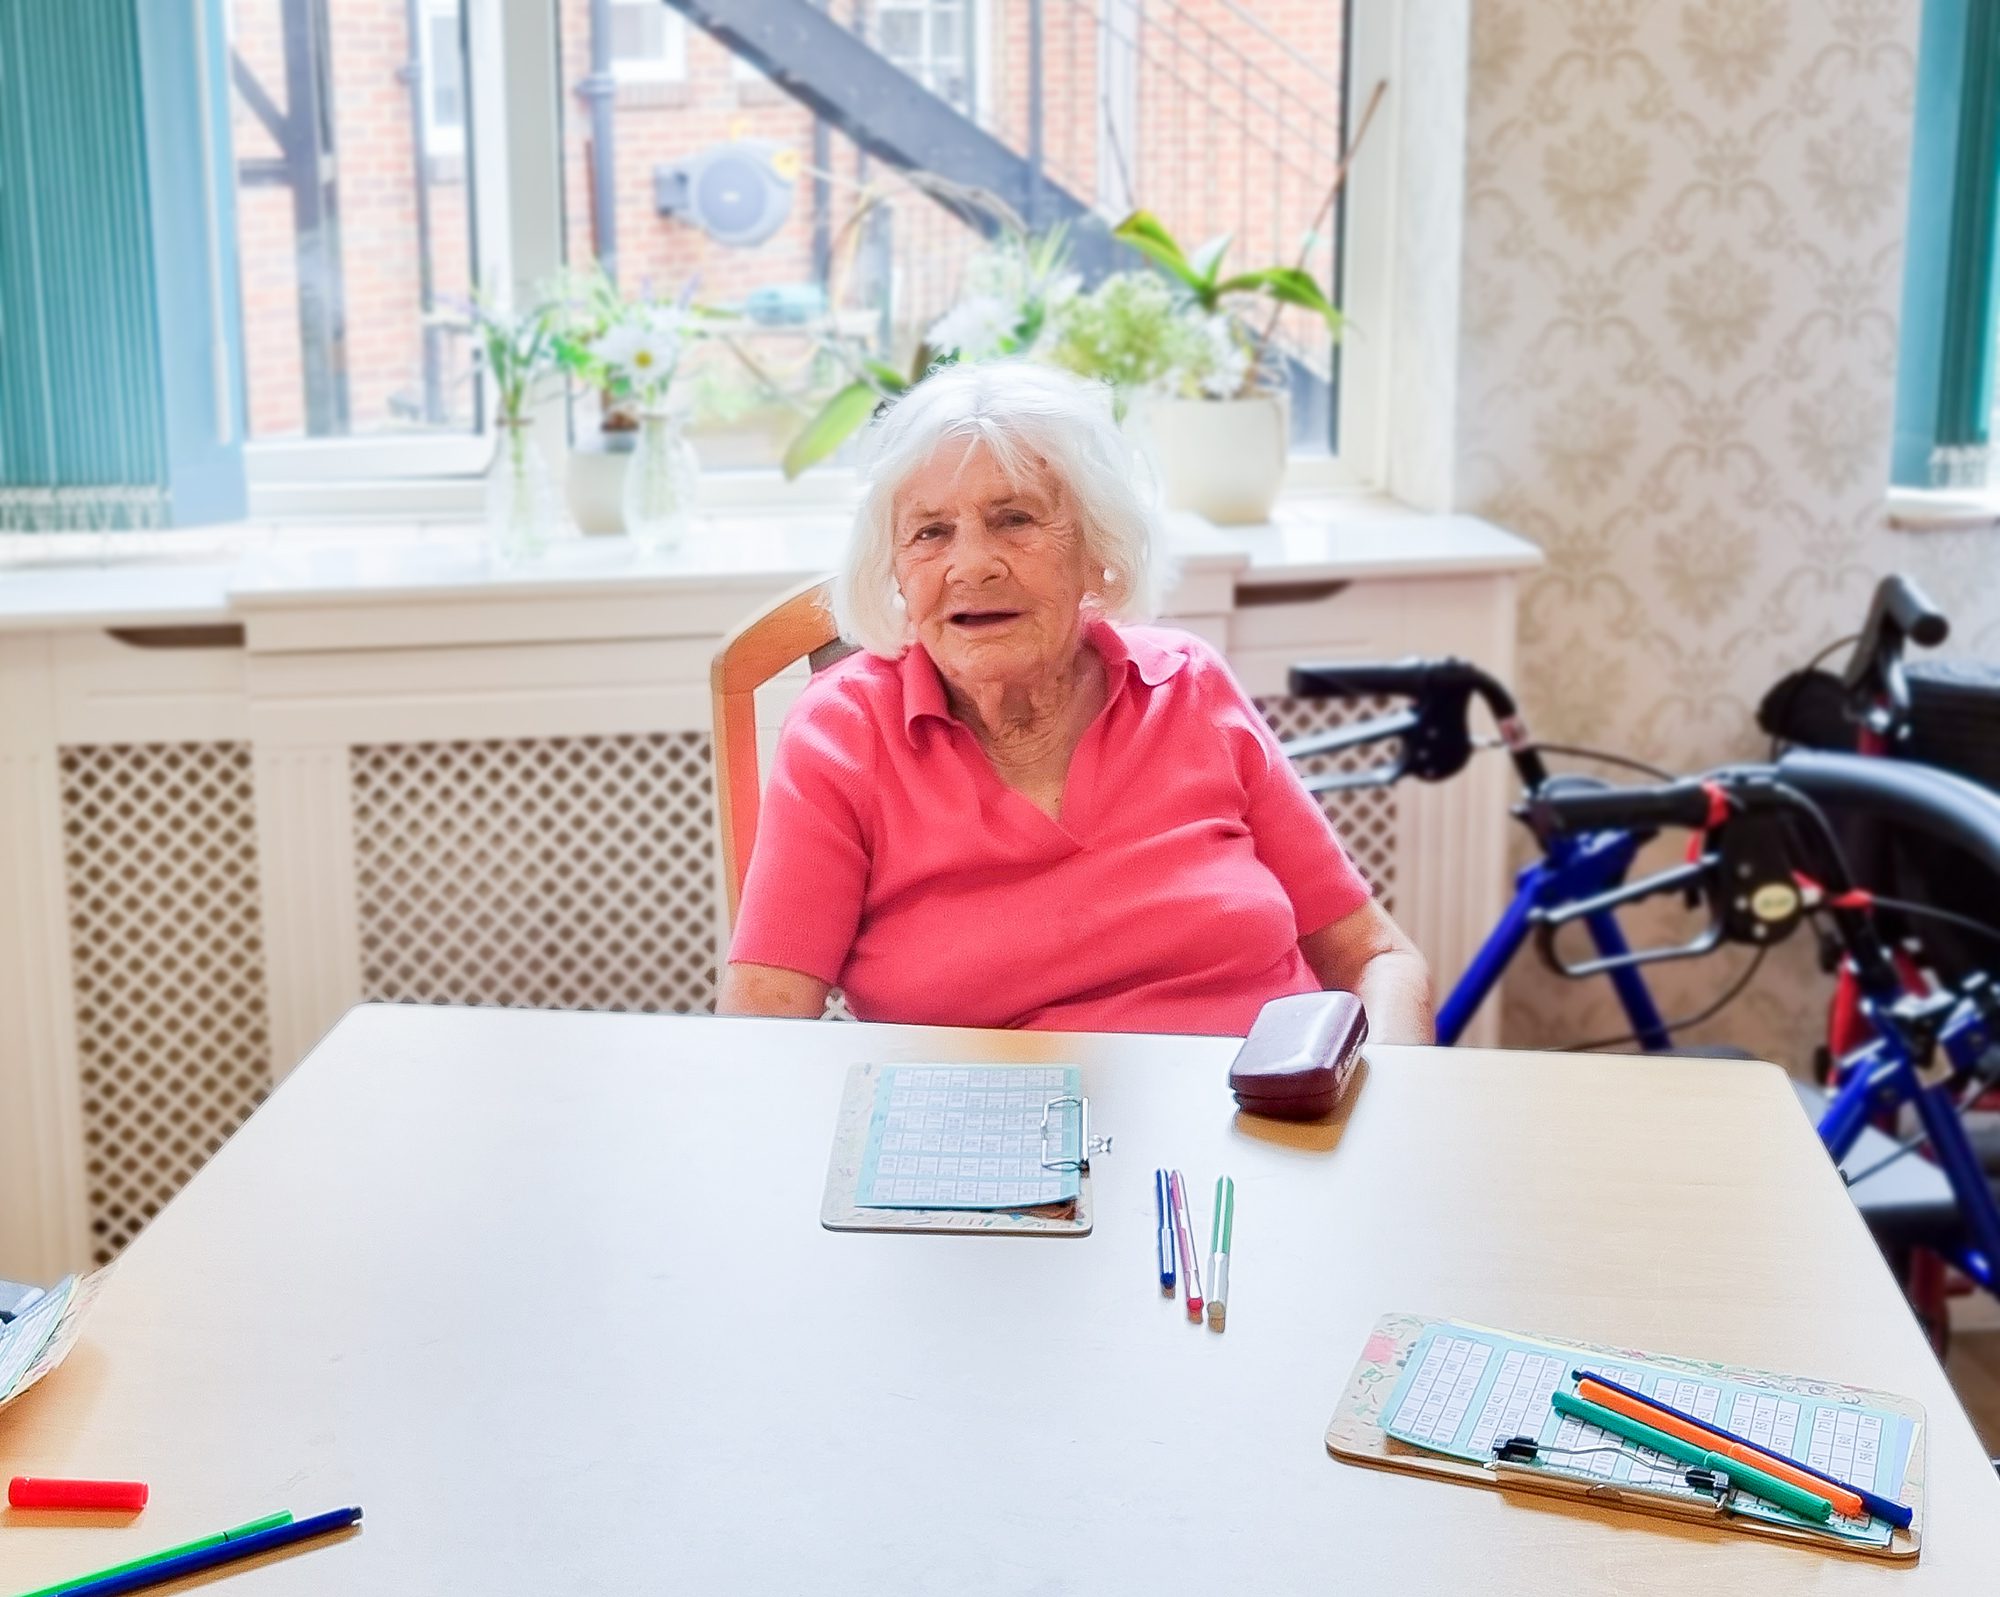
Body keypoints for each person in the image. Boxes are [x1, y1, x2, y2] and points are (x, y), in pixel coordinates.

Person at [718, 361, 1433, 1041]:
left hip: (1255, 1123)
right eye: (931, 532)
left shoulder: (1187, 689)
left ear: (1099, 548)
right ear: (897, 570)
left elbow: (1377, 957)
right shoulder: (844, 734)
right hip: (986, 1141)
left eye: (1016, 519)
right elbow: (764, 1029)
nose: (972, 563)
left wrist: (1384, 1104)